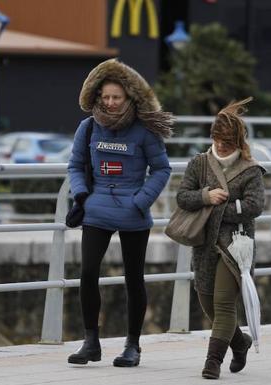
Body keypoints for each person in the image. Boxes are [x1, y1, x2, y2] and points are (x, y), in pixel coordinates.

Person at [66, 58, 173, 367]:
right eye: (106, 97)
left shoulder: (144, 131)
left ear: (129, 98)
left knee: (133, 279)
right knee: (87, 273)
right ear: (98, 97)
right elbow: (74, 165)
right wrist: (82, 194)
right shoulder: (87, 128)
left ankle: (133, 346)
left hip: (133, 211)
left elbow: (162, 169)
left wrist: (141, 201)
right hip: (96, 208)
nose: (110, 103)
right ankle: (90, 342)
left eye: (117, 97)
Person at [175, 98, 265, 379]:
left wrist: (221, 208)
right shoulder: (199, 163)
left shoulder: (250, 169)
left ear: (238, 140)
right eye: (217, 138)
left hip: (235, 245)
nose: (222, 145)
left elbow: (255, 206)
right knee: (207, 303)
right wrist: (206, 196)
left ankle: (212, 361)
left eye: (227, 140)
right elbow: (182, 197)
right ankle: (240, 343)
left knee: (225, 303)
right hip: (203, 244)